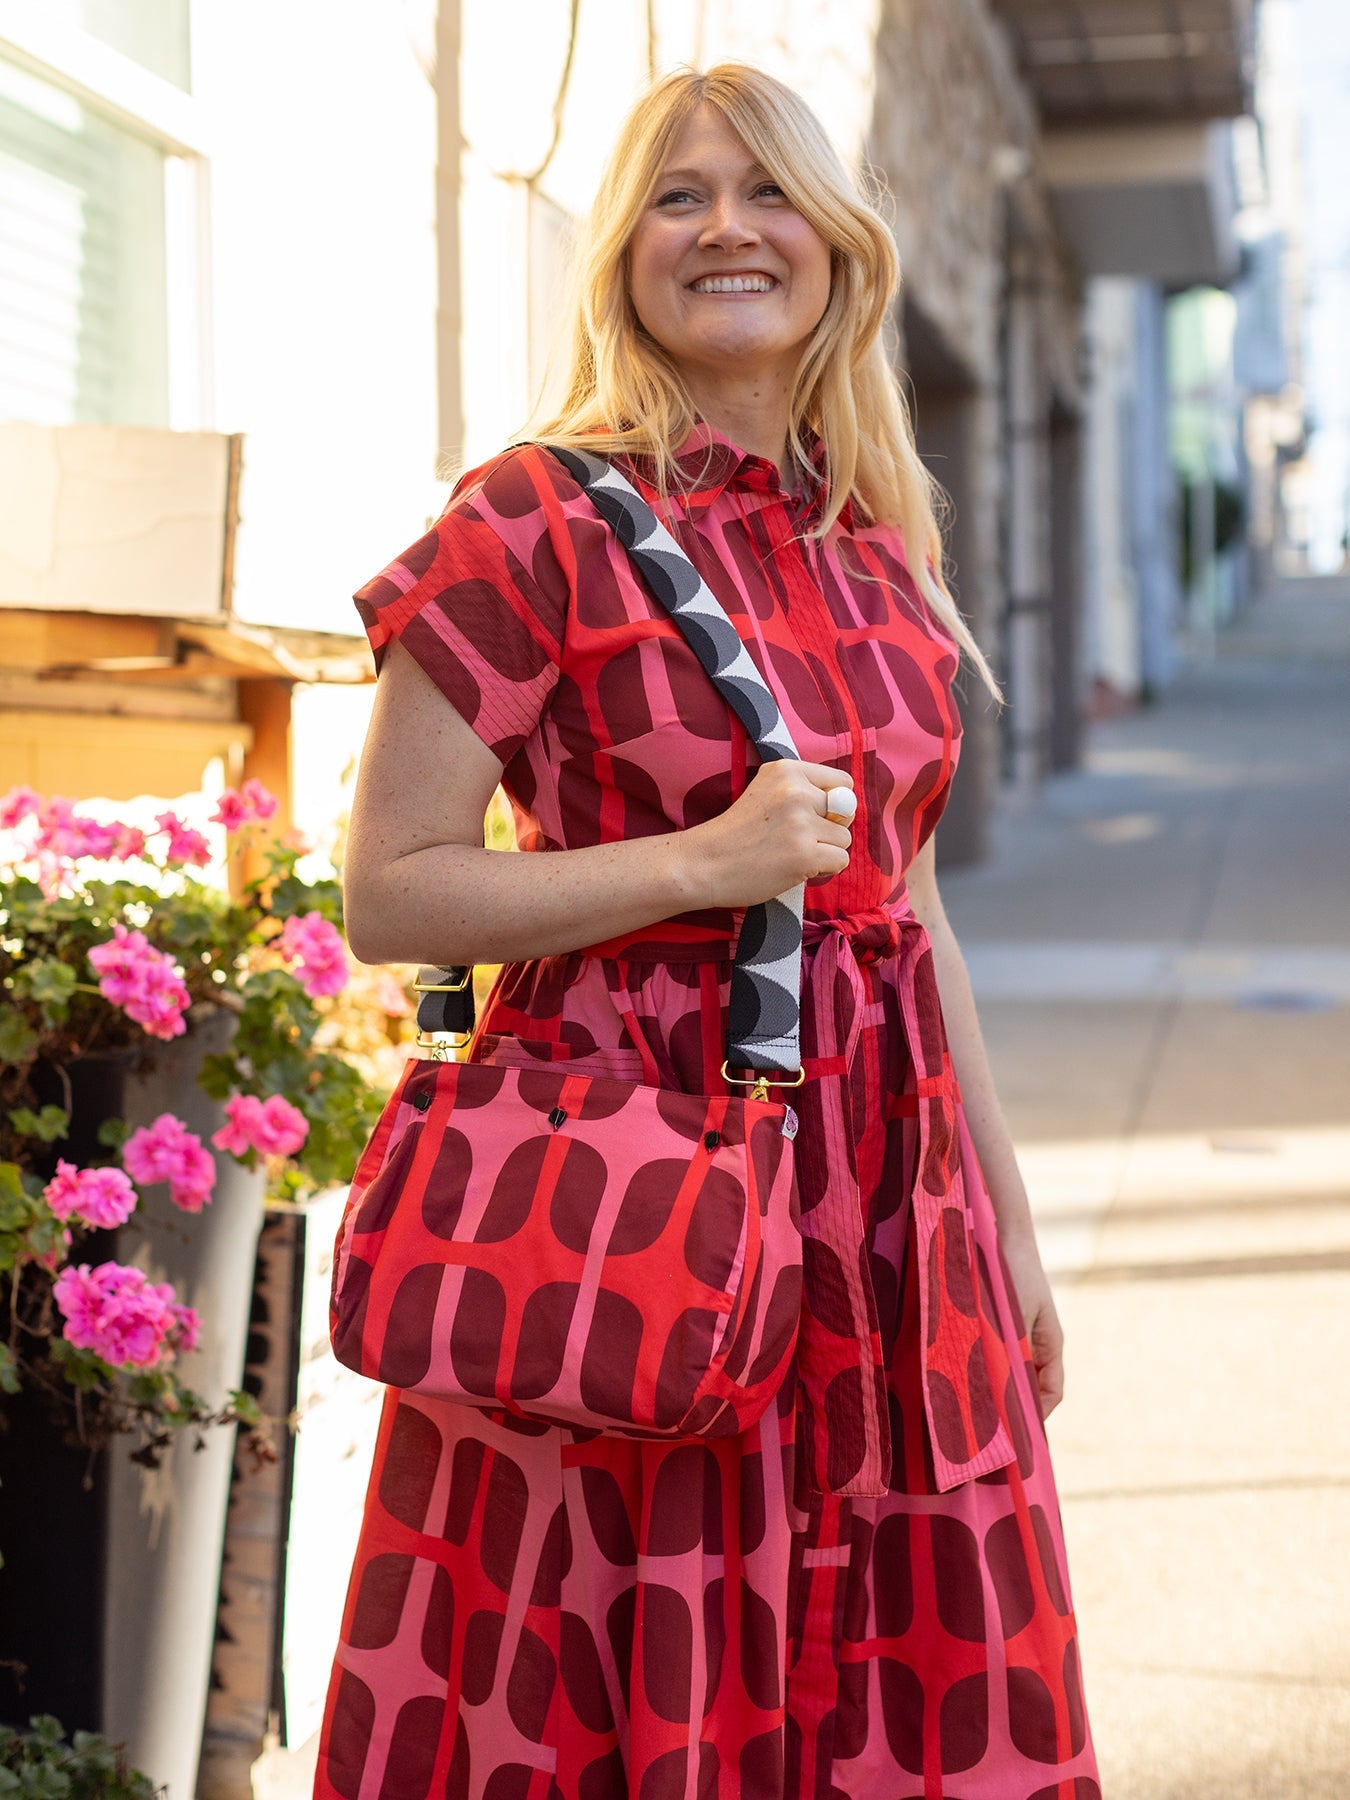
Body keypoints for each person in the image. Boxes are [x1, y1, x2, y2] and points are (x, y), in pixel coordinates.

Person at [315, 63, 1100, 1800]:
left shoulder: (871, 534)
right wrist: (707, 860)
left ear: (835, 246)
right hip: (640, 1181)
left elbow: (910, 902)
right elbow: (392, 888)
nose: (727, 227)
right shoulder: (530, 519)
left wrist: (1009, 1229)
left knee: (886, 1662)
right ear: (622, 255)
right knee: (622, 1636)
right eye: (679, 196)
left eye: (766, 192)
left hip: (888, 1213)